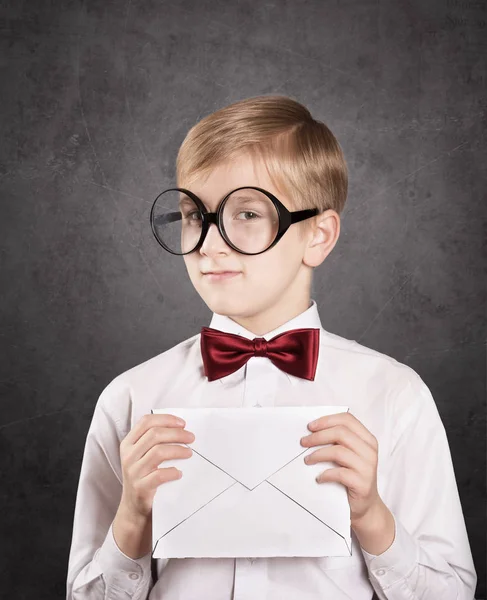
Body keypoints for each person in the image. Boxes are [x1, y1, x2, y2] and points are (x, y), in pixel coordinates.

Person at [66, 95, 477, 600]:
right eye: (196, 215)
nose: (209, 244)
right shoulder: (129, 397)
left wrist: (372, 516)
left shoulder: (395, 394)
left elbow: (452, 592)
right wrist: (131, 519)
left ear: (318, 236)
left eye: (246, 213)